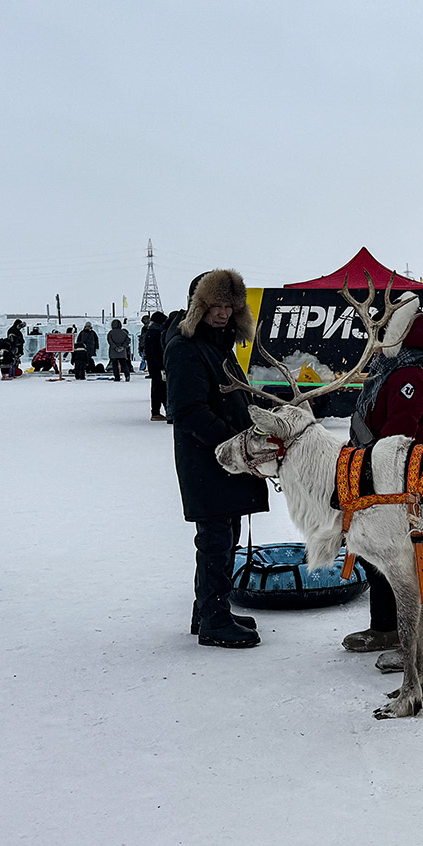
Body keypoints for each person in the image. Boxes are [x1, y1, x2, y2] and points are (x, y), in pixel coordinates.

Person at [341, 299, 423, 672]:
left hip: (394, 480)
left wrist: (368, 462)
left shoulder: (408, 376)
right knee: (380, 557)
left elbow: (397, 436)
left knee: (407, 562)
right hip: (374, 475)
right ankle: (387, 627)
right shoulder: (390, 369)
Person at [164, 270, 269, 648]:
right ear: (199, 306)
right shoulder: (185, 347)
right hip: (208, 462)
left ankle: (210, 609)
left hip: (228, 461)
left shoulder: (218, 344)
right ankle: (214, 621)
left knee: (227, 536)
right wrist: (235, 443)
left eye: (229, 306)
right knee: (215, 539)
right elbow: (189, 411)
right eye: (215, 305)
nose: (223, 313)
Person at [144, 311, 168, 420]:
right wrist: (162, 366)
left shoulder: (150, 332)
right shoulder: (156, 333)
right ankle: (157, 412)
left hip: (153, 365)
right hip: (158, 366)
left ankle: (156, 411)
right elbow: (157, 352)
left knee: (157, 388)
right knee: (160, 388)